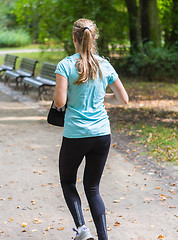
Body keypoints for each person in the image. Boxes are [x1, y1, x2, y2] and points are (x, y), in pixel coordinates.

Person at [53, 18, 129, 240]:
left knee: (68, 181)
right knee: (93, 187)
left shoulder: (65, 65)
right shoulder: (104, 64)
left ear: (74, 38)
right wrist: (100, 98)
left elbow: (59, 103)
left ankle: (82, 229)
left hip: (76, 134)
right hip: (101, 134)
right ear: (93, 37)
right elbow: (123, 99)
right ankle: (104, 237)